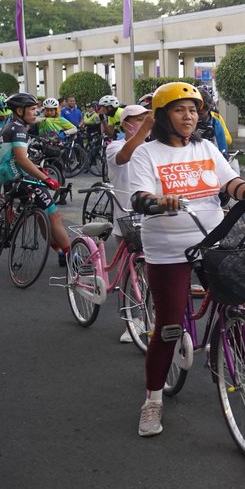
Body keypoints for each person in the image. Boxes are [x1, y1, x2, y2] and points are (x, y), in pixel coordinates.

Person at [128, 82, 245, 438]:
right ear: (163, 116)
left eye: (193, 109)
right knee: (169, 325)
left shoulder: (206, 147)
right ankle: (153, 399)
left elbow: (230, 183)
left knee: (236, 306)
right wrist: (157, 201)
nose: (189, 116)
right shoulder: (147, 154)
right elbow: (138, 196)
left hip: (213, 239)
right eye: (180, 109)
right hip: (168, 248)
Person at [0, 93, 72, 264]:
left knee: (40, 215)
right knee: (54, 216)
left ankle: (59, 251)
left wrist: (35, 167)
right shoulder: (19, 129)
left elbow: (13, 157)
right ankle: (71, 256)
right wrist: (46, 179)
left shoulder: (9, 126)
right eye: (32, 109)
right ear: (20, 110)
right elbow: (21, 159)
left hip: (8, 177)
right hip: (20, 178)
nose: (36, 112)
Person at [103, 103, 152, 343]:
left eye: (147, 119)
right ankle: (133, 319)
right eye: (139, 120)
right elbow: (124, 158)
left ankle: (154, 318)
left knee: (153, 274)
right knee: (131, 273)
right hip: (127, 219)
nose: (144, 123)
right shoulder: (115, 146)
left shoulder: (154, 148)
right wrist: (144, 132)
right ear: (125, 124)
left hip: (154, 217)